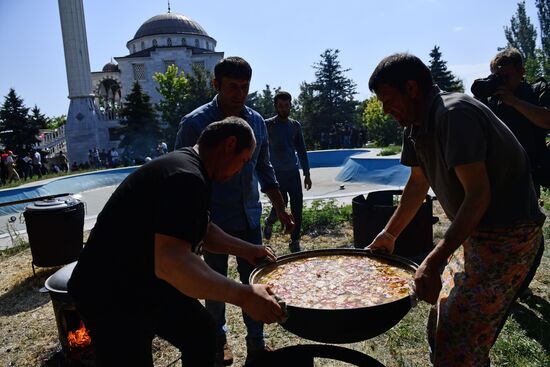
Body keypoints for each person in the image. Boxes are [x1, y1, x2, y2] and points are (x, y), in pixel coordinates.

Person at [367, 53, 545, 366]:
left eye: (388, 99)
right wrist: (389, 233)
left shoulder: (453, 114)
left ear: (411, 88)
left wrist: (435, 259)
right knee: (441, 325)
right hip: (476, 234)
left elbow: (478, 195)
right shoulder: (415, 124)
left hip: (508, 237)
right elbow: (417, 183)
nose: (385, 109)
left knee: (457, 339)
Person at [68, 117, 284, 367]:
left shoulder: (191, 168)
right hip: (108, 289)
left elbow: (200, 228)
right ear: (229, 145)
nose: (241, 170)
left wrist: (247, 250)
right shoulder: (185, 176)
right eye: (244, 161)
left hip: (143, 277)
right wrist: (245, 296)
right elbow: (173, 263)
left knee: (201, 332)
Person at [174, 56, 294, 366]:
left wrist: (281, 207)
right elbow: (182, 175)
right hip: (213, 223)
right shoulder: (194, 124)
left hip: (249, 217)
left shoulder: (255, 122)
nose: (238, 95)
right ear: (216, 85)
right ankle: (218, 341)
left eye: (244, 88)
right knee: (214, 284)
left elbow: (264, 168)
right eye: (231, 88)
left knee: (254, 279)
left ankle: (257, 343)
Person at [472, 47, 550, 297]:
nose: (501, 82)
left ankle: (522, 282)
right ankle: (499, 278)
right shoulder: (492, 98)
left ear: (521, 72)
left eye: (506, 76)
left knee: (528, 227)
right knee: (495, 226)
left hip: (529, 171)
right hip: (496, 173)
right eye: (496, 76)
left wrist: (514, 102)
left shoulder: (536, 92)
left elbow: (547, 121)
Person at [263, 91, 312, 252]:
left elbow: (302, 150)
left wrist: (307, 174)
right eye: (280, 106)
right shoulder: (267, 125)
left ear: (291, 105)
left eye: (286, 105)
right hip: (276, 174)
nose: (283, 109)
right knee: (280, 205)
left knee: (297, 207)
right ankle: (270, 221)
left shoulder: (294, 126)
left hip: (292, 173)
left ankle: (295, 240)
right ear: (276, 106)